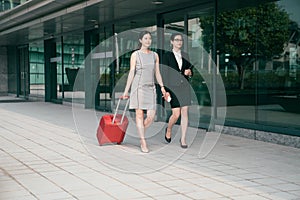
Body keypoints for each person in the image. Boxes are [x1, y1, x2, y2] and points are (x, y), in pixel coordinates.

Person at [122, 30, 167, 153]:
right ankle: (142, 141)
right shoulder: (135, 55)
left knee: (151, 116)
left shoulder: (155, 55)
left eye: (149, 39)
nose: (148, 41)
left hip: (151, 87)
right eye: (145, 38)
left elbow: (157, 72)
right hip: (139, 87)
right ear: (140, 40)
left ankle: (140, 131)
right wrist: (126, 91)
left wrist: (162, 87)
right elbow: (132, 72)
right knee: (139, 114)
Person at [162, 33, 193, 148]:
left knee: (185, 112)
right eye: (176, 40)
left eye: (181, 40)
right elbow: (164, 74)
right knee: (176, 114)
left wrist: (189, 73)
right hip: (172, 88)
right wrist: (165, 90)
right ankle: (169, 129)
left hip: (184, 87)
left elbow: (189, 70)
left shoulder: (185, 55)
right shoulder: (167, 56)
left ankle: (183, 139)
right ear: (171, 42)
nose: (179, 42)